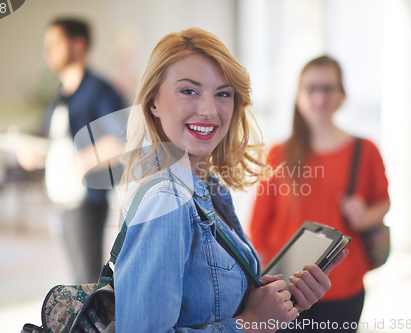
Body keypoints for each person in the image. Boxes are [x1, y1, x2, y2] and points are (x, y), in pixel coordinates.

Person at [113, 29, 348, 333]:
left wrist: (276, 301)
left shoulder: (206, 188)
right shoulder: (167, 201)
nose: (209, 110)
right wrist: (250, 323)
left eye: (223, 93)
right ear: (153, 102)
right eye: (189, 91)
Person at [249, 56, 390, 332]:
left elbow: (383, 202)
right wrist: (262, 285)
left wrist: (364, 215)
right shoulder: (279, 154)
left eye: (328, 88)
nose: (319, 97)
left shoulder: (365, 150)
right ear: (298, 95)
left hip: (343, 286)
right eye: (310, 88)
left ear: (341, 95)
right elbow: (258, 225)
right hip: (286, 289)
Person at [17, 18, 125, 283]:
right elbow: (55, 143)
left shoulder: (100, 92)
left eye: (55, 44)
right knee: (75, 278)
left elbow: (123, 138)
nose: (47, 53)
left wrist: (80, 160)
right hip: (61, 201)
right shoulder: (60, 95)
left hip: (85, 202)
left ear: (78, 45)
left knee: (86, 281)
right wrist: (37, 154)